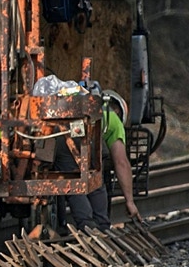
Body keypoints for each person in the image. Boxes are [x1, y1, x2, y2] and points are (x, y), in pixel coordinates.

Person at [55, 88, 141, 231]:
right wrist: (130, 202)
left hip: (57, 128)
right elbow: (121, 163)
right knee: (93, 178)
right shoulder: (114, 121)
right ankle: (96, 225)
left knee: (72, 175)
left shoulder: (85, 102)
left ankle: (85, 224)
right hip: (82, 133)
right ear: (117, 110)